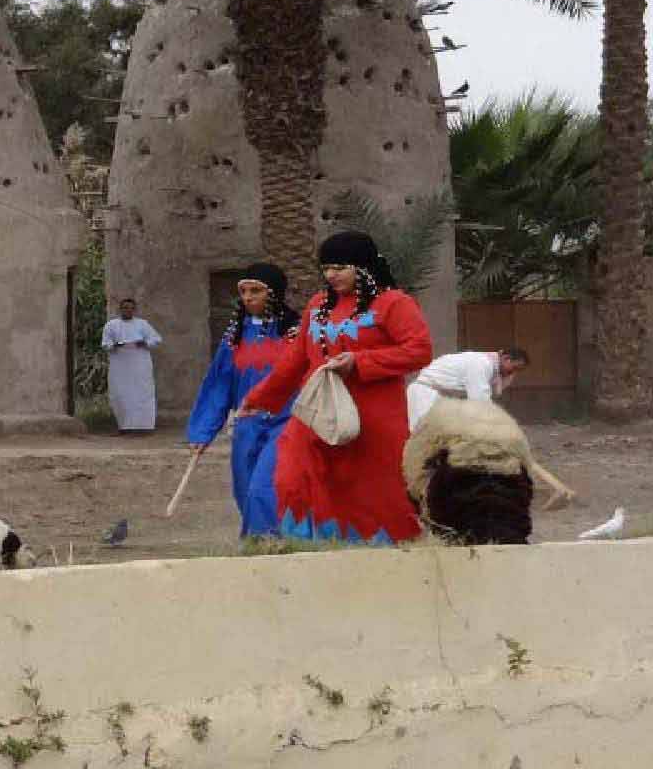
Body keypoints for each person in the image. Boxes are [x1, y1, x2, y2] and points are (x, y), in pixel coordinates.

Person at [239, 231, 434, 544]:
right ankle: (312, 550)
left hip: (373, 421)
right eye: (326, 268)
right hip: (317, 414)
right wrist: (258, 397)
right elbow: (295, 359)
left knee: (371, 490)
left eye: (340, 267)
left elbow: (419, 350)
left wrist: (360, 362)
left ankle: (380, 558)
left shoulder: (394, 304)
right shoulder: (318, 305)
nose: (331, 275)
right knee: (294, 475)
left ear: (363, 267)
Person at [186, 263, 301, 536]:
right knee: (246, 488)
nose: (248, 297)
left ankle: (267, 543)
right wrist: (202, 432)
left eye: (256, 291)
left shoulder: (295, 334)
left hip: (286, 423)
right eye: (244, 291)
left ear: (273, 293)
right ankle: (261, 543)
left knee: (265, 485)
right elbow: (218, 385)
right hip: (246, 425)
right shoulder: (235, 337)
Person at [407, 347, 530, 429]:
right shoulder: (481, 363)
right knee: (421, 438)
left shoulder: (486, 364)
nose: (513, 373)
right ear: (506, 359)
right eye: (514, 368)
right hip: (425, 396)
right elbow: (480, 402)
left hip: (437, 397)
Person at [101, 298, 163, 434]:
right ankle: (123, 427)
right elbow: (105, 344)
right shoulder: (111, 325)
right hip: (120, 365)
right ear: (120, 309)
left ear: (134, 310)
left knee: (142, 394)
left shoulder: (143, 324)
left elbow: (157, 339)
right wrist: (116, 345)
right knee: (120, 394)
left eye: (130, 308)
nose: (127, 310)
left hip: (140, 365)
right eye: (125, 308)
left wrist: (145, 343)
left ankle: (144, 428)